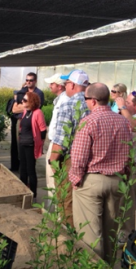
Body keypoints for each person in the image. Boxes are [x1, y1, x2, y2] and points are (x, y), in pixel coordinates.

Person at [68, 83, 133, 260]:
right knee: (110, 231)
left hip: (91, 180)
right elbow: (129, 152)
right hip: (117, 181)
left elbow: (79, 157)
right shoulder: (123, 122)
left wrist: (75, 178)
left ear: (94, 101)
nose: (86, 102)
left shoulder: (88, 122)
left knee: (89, 234)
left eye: (86, 99)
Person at [47, 69, 89, 226]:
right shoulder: (92, 103)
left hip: (69, 159)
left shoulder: (69, 105)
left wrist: (53, 161)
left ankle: (68, 237)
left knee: (66, 201)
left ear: (72, 85)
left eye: (66, 83)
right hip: (88, 159)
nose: (65, 86)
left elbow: (61, 139)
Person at [9, 72, 47, 173]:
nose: (28, 82)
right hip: (21, 120)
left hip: (32, 122)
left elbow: (35, 107)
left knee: (30, 144)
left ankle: (28, 168)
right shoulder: (23, 91)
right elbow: (14, 109)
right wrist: (25, 106)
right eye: (27, 80)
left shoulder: (39, 93)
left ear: (35, 81)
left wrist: (22, 107)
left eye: (31, 80)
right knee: (18, 144)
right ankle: (18, 167)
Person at [17, 91, 47, 197]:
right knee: (22, 168)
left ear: (31, 101)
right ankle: (23, 191)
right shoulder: (26, 111)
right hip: (22, 143)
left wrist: (40, 143)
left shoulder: (38, 112)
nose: (22, 101)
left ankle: (33, 194)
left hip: (31, 144)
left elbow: (43, 130)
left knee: (30, 169)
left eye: (25, 100)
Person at [43, 73, 67, 199]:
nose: (49, 86)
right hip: (54, 142)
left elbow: (62, 129)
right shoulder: (60, 99)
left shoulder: (65, 100)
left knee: (54, 180)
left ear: (59, 86)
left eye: (52, 84)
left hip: (57, 144)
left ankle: (57, 214)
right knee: (51, 180)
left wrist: (54, 155)